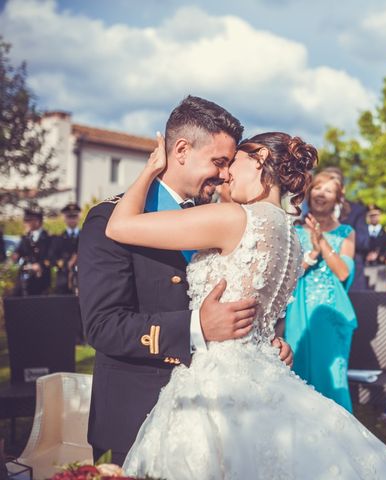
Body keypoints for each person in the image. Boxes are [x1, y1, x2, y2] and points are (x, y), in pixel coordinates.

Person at [106, 131, 386, 479]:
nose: (225, 174)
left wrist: (151, 169)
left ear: (260, 160)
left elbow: (120, 225)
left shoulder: (235, 218)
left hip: (217, 378)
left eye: (232, 161)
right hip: (264, 369)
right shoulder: (290, 235)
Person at [78, 96, 292, 466]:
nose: (225, 174)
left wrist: (261, 340)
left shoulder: (218, 218)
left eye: (229, 165)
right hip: (136, 415)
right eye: (218, 162)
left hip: (214, 416)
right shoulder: (109, 219)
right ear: (180, 150)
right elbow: (102, 326)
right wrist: (197, 327)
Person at [285, 172, 358, 411]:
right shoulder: (293, 229)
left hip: (331, 313)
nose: (320, 194)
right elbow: (288, 274)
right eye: (317, 188)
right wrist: (313, 254)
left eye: (328, 190)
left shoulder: (346, 232)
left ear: (338, 199)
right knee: (299, 374)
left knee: (331, 379)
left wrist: (322, 243)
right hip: (299, 311)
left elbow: (343, 273)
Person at [321, 167, 370, 290]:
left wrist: (337, 228)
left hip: (350, 278)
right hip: (321, 277)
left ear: (342, 188)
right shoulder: (314, 212)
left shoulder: (357, 211)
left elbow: (364, 242)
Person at [13, 207, 52, 296]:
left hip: (41, 279)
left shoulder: (48, 238)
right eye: (25, 220)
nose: (25, 223)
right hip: (26, 278)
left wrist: (40, 265)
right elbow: (18, 253)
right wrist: (15, 256)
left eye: (28, 220)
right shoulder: (25, 238)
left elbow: (51, 256)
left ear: (38, 221)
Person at [49, 202, 82, 294]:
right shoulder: (58, 238)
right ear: (64, 218)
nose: (72, 220)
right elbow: (52, 258)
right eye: (69, 217)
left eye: (74, 216)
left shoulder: (84, 236)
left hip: (82, 278)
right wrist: (65, 263)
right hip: (63, 278)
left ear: (78, 217)